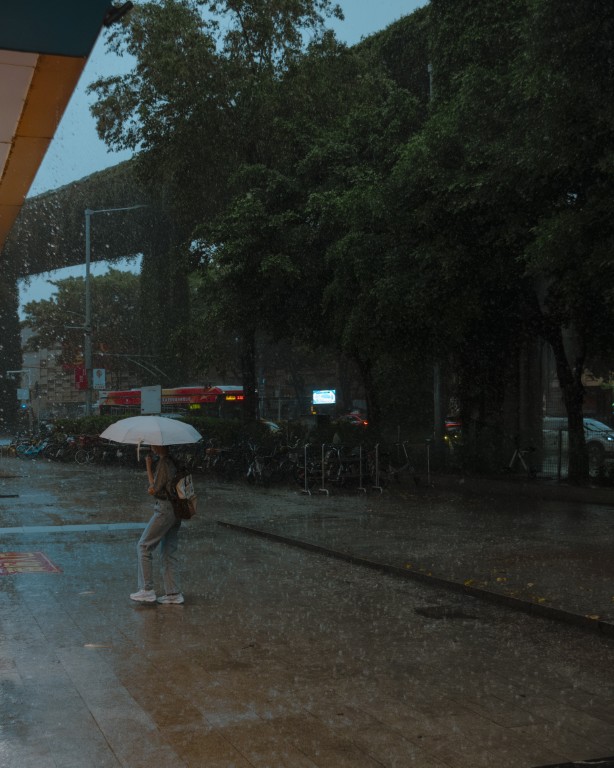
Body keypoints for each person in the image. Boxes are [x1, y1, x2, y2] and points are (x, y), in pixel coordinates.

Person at [130, 444, 185, 605]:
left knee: (143, 546)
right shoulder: (173, 461)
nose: (151, 446)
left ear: (160, 445)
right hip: (177, 509)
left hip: (165, 509)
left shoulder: (163, 463)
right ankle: (173, 593)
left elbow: (153, 489)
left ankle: (146, 590)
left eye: (153, 443)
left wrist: (148, 467)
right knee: (168, 551)